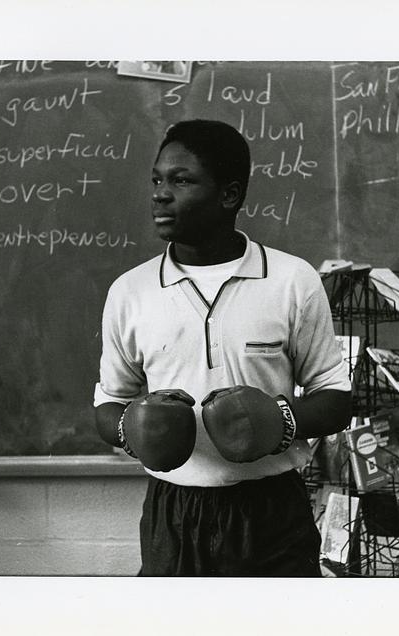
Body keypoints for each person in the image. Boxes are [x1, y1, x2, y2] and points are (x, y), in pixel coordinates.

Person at [93, 119, 351, 576]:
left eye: (182, 180)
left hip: (272, 510)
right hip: (174, 512)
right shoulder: (130, 291)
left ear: (229, 195)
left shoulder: (292, 280)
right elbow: (109, 403)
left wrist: (281, 420)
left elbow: (336, 399)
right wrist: (133, 430)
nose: (160, 193)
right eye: (157, 179)